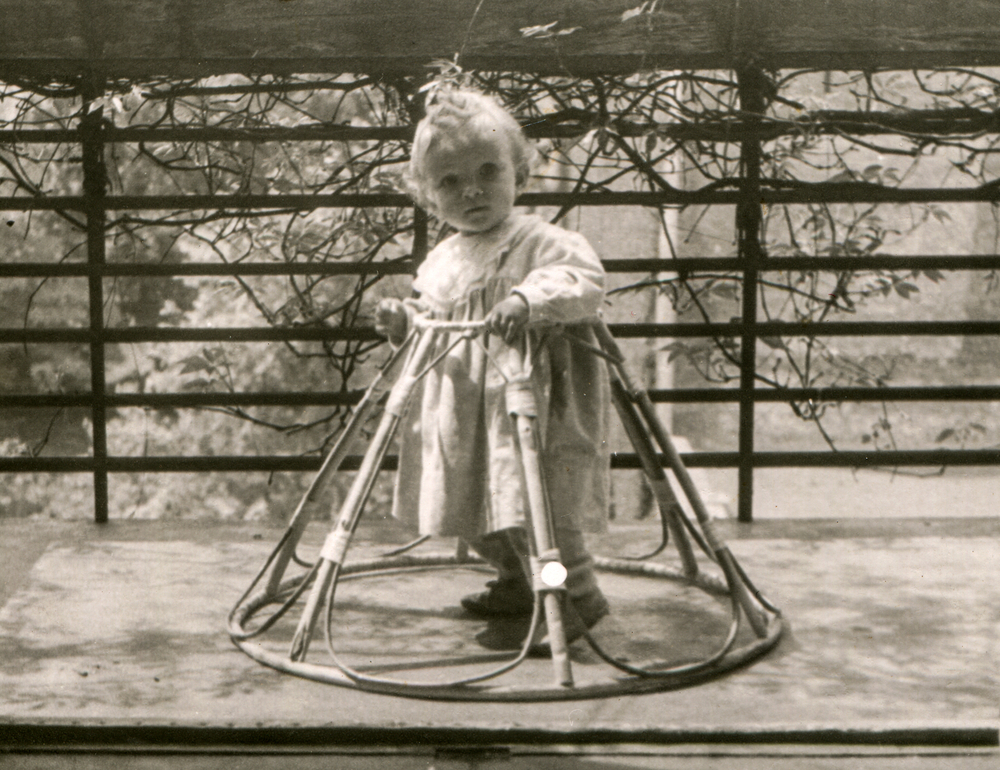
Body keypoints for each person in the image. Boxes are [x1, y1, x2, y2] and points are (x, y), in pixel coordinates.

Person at [375, 87, 610, 651]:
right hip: (468, 416)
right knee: (480, 509)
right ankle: (518, 582)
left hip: (532, 408)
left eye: (487, 171)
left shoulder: (543, 242)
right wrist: (405, 320)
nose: (472, 190)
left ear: (519, 174)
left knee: (538, 512)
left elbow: (581, 281)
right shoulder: (444, 260)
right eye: (450, 182)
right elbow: (435, 319)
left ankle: (569, 593)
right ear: (429, 199)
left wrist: (528, 302)